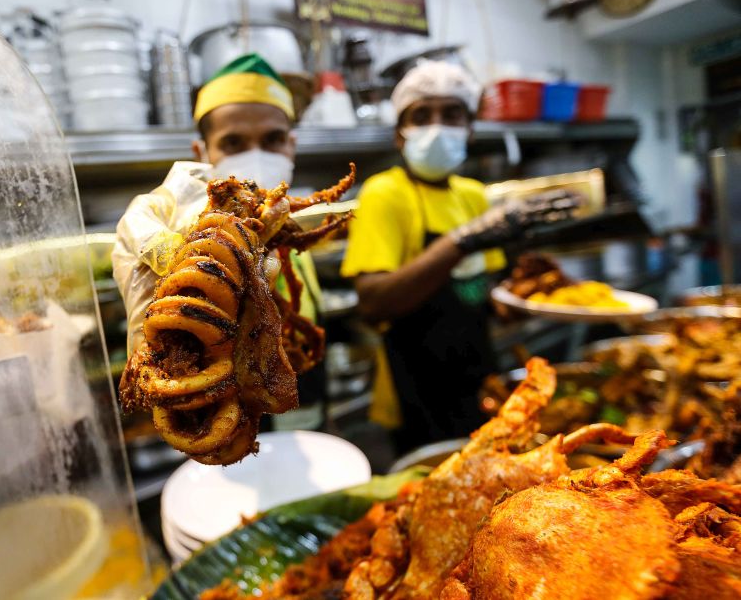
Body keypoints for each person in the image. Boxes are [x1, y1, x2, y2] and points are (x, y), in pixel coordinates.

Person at [340, 60, 579, 452]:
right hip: (415, 387)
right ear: (400, 134)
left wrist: (530, 297)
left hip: (478, 373)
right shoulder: (386, 193)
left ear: (469, 127)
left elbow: (482, 293)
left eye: (451, 114)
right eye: (421, 116)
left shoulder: (472, 194)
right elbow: (374, 303)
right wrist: (462, 241)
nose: (437, 127)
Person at [112, 53, 325, 428]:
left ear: (291, 145)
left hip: (299, 393)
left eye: (273, 139)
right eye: (234, 143)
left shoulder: (286, 231)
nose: (256, 155)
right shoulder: (181, 221)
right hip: (226, 398)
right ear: (201, 152)